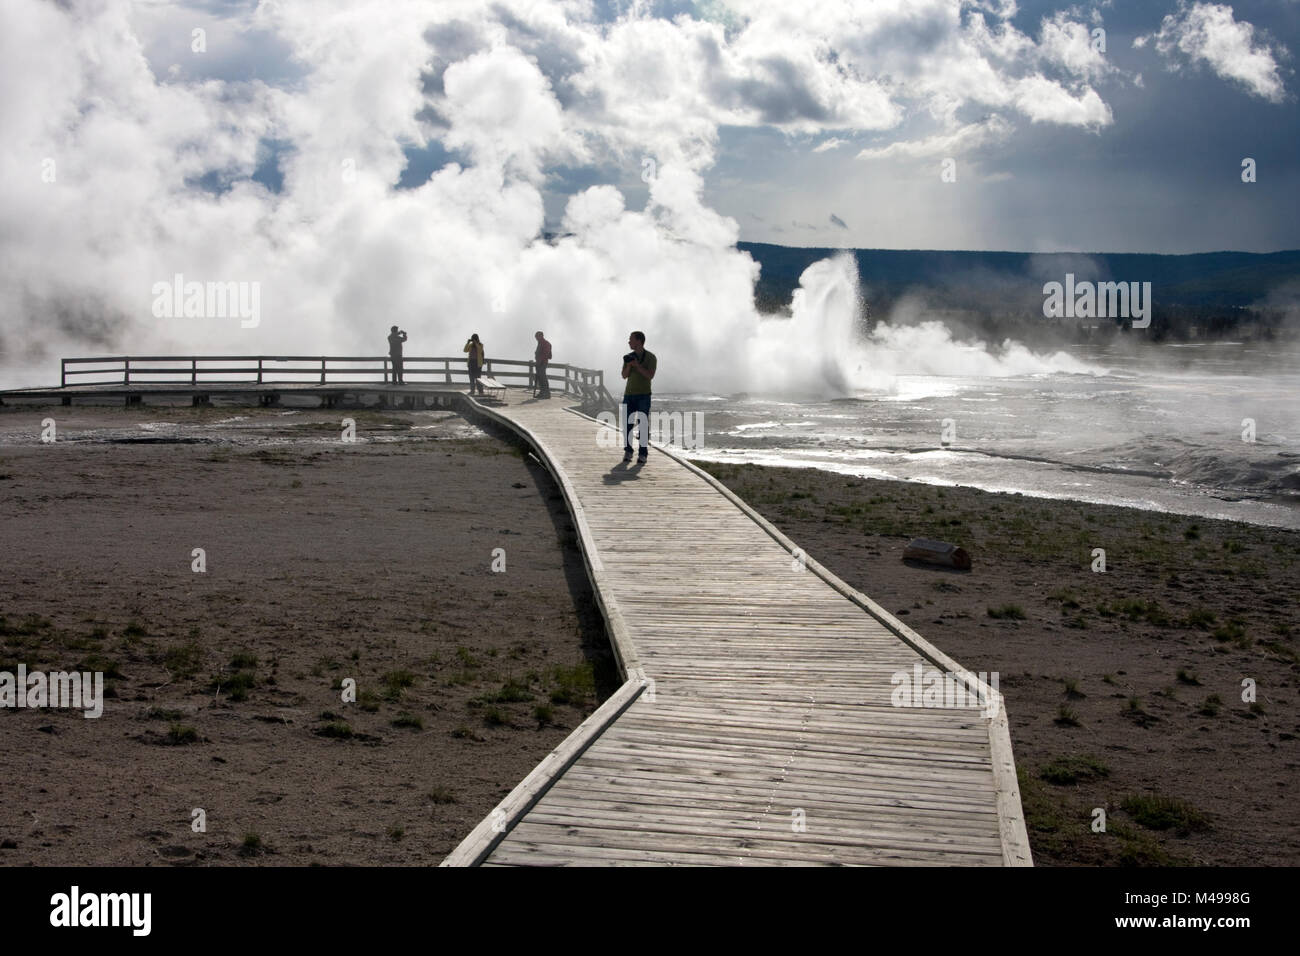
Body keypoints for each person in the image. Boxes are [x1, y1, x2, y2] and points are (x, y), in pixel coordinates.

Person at [620, 330, 656, 464]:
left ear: (639, 341)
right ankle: (628, 451)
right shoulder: (628, 357)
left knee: (643, 425)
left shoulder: (651, 357)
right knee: (627, 425)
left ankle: (643, 454)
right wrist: (629, 366)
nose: (629, 342)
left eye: (631, 339)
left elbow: (650, 375)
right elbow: (624, 375)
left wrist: (637, 366)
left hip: (643, 396)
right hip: (629, 395)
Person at [534, 330, 552, 399]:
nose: (536, 338)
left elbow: (545, 354)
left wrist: (539, 361)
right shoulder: (540, 343)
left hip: (542, 363)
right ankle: (542, 393)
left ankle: (546, 393)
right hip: (539, 362)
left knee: (543, 378)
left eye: (537, 337)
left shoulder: (545, 343)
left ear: (541, 336)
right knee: (540, 378)